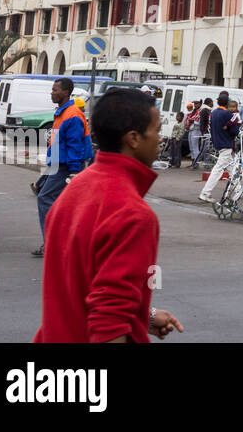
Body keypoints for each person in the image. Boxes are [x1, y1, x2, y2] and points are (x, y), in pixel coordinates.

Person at [34, 87, 183, 343]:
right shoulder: (133, 214)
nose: (160, 138)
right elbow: (108, 325)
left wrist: (143, 316)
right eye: (156, 130)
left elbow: (86, 285)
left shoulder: (76, 188)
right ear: (134, 138)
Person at [33, 78, 92, 257]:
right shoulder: (63, 112)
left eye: (55, 90)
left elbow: (75, 145)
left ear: (66, 92)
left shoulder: (72, 115)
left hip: (65, 166)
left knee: (44, 198)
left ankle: (52, 243)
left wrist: (74, 171)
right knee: (62, 203)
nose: (52, 92)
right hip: (59, 164)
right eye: (52, 89)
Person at [198, 94, 239, 202]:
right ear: (227, 103)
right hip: (226, 144)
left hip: (218, 143)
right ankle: (205, 193)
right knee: (218, 169)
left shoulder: (214, 112)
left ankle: (239, 189)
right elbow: (235, 130)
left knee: (232, 168)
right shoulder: (227, 113)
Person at [186, 101, 204, 166]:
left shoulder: (201, 111)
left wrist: (193, 121)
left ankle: (196, 163)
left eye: (196, 103)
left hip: (196, 130)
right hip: (191, 130)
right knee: (191, 147)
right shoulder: (194, 111)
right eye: (194, 103)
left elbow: (200, 122)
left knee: (195, 147)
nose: (195, 105)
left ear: (200, 104)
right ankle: (193, 162)